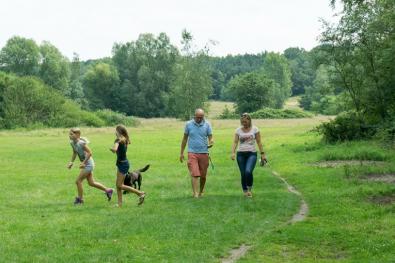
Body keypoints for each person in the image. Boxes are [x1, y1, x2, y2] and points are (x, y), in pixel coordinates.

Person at [67, 128, 113, 205]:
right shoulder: (72, 143)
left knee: (78, 181)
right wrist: (71, 162)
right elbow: (74, 152)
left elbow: (90, 153)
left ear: (78, 135)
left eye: (72, 134)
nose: (70, 136)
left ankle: (80, 200)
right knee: (91, 183)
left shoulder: (81, 143)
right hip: (85, 164)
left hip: (89, 164)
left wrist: (83, 163)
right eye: (69, 134)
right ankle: (108, 190)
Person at [231, 113, 267, 197]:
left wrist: (262, 154)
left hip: (252, 154)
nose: (244, 124)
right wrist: (233, 152)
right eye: (242, 122)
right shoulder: (238, 130)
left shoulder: (255, 129)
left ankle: (249, 188)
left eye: (246, 122)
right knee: (243, 173)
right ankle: (245, 191)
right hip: (240, 154)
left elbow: (259, 142)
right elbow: (235, 142)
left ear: (249, 120)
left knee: (248, 171)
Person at [180, 109, 214, 198]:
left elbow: (211, 138)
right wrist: (181, 153)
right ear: (194, 116)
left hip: (204, 153)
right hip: (192, 153)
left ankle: (201, 191)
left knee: (203, 176)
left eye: (201, 117)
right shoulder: (188, 124)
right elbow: (184, 139)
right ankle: (195, 194)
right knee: (195, 173)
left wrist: (211, 142)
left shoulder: (207, 124)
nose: (199, 119)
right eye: (198, 117)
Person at [110, 125, 145, 207]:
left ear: (119, 132)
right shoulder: (125, 139)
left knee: (119, 185)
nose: (115, 132)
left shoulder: (118, 140)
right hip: (123, 163)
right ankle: (119, 204)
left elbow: (115, 149)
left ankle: (140, 193)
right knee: (118, 185)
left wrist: (112, 149)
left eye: (116, 131)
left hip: (122, 164)